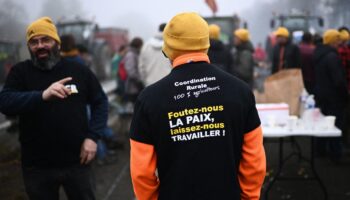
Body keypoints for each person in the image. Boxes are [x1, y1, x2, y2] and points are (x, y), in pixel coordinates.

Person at [129, 12, 266, 200]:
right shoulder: (240, 91)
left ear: (168, 49)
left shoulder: (149, 99)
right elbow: (254, 159)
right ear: (206, 44)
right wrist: (249, 197)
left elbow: (142, 172)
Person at [0, 17, 108, 200]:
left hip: (77, 161)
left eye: (45, 40)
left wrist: (93, 137)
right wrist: (42, 95)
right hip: (37, 166)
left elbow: (100, 102)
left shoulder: (78, 70)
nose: (40, 45)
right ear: (29, 47)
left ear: (56, 42)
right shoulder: (20, 72)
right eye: (34, 42)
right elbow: (6, 103)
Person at [313, 29, 348, 160]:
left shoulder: (319, 54)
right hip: (334, 97)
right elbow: (338, 80)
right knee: (335, 126)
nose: (340, 42)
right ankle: (336, 154)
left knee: (323, 124)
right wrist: (345, 94)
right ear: (333, 41)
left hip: (322, 95)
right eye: (338, 39)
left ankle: (320, 150)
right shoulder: (332, 57)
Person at [123, 37, 143, 104]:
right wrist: (140, 80)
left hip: (135, 86)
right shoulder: (131, 54)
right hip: (133, 87)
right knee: (136, 105)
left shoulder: (134, 53)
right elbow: (131, 71)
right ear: (138, 45)